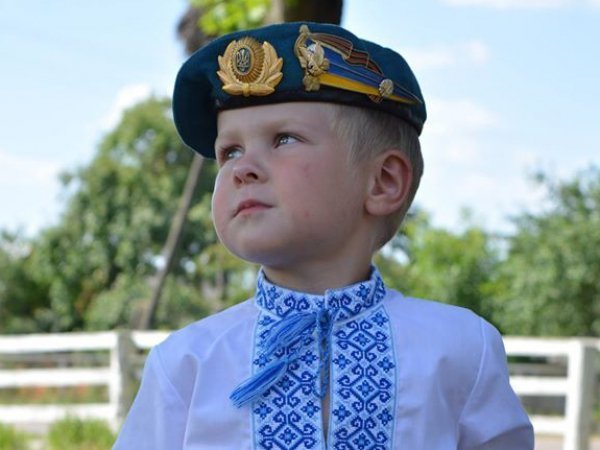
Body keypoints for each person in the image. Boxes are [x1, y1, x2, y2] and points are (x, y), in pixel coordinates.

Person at [112, 22, 534, 449]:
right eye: (230, 151)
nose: (242, 169)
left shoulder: (460, 350)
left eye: (283, 139)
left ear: (383, 182)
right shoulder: (187, 364)